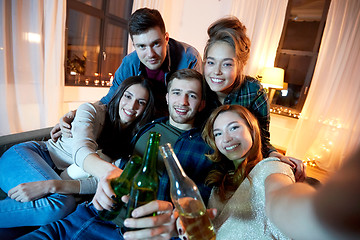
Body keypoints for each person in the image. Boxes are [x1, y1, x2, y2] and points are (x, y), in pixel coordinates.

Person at [18, 69, 214, 240]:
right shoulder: (147, 125)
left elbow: (197, 202)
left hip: (129, 230)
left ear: (202, 103)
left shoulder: (203, 146)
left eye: (192, 95)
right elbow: (115, 169)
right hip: (92, 211)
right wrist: (72, 115)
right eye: (177, 93)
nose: (183, 101)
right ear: (168, 97)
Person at [0, 76, 154, 237]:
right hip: (30, 156)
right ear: (119, 95)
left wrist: (51, 185)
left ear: (146, 109)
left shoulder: (132, 141)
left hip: (57, 179)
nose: (132, 105)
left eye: (141, 102)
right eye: (128, 96)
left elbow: (97, 183)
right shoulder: (91, 111)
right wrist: (108, 172)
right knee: (62, 203)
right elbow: (82, 150)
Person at [179, 105, 360, 240]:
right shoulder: (218, 185)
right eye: (218, 133)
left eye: (234, 127)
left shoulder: (272, 166)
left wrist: (318, 216)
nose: (226, 138)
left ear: (252, 130)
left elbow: (280, 197)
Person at [51, 7, 202, 142]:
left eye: (156, 43)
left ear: (166, 38)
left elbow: (195, 105)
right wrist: (73, 115)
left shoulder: (188, 57)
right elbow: (110, 100)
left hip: (175, 125)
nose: (150, 54)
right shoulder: (129, 63)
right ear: (134, 45)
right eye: (142, 46)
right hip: (138, 126)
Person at [202, 16, 305, 181]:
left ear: (240, 65)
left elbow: (262, 138)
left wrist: (277, 157)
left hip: (240, 169)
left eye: (227, 64)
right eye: (211, 62)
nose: (217, 72)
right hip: (205, 163)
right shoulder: (198, 88)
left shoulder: (253, 90)